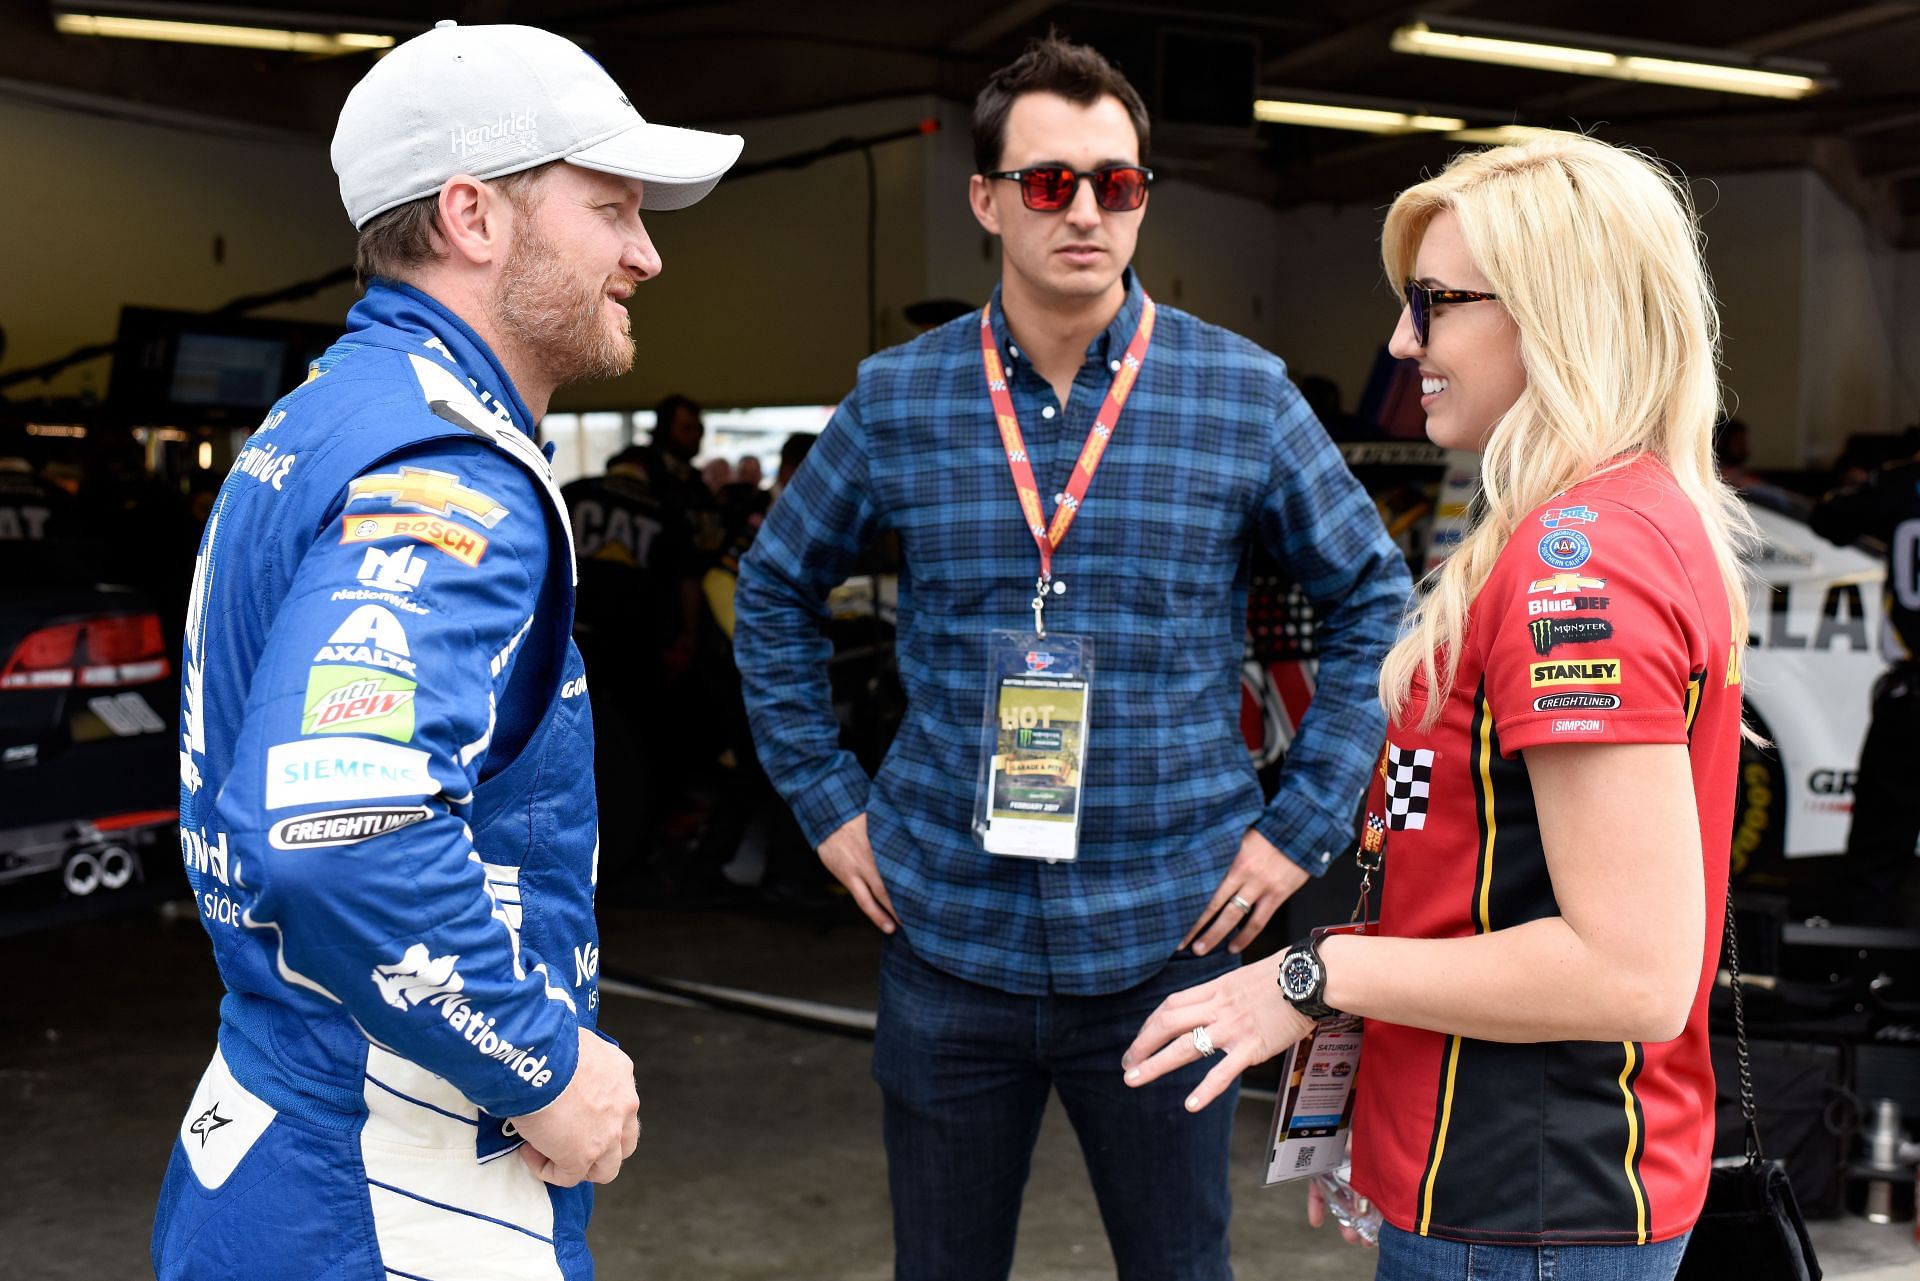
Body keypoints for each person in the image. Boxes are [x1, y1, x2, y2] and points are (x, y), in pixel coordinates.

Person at [733, 34, 1407, 1280]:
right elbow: (775, 589)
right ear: (986, 198)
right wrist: (829, 808)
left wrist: (1298, 827)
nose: (1086, 209)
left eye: (1118, 181)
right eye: (1049, 182)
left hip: (1170, 940)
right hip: (949, 941)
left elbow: (1378, 600)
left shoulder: (1240, 395)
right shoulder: (900, 398)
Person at [153, 22, 740, 1281]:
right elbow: (340, 826)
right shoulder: (447, 464)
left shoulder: (325, 415)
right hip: (391, 1186)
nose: (645, 252)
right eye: (612, 208)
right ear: (476, 216)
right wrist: (538, 1064)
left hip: (274, 1122)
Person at [1124, 133, 1754, 1277]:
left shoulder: (1585, 561)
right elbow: (1474, 875)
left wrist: (1306, 980)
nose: (1401, 340)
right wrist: (1378, 1111)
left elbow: (1633, 972)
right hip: (1490, 1176)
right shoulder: (1577, 530)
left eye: (1434, 302)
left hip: (1528, 1198)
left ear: (1555, 314)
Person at [1808, 438, 1920, 923]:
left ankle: (1861, 968)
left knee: (1877, 849)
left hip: (1911, 694)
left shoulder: (1901, 483)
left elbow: (1828, 518)